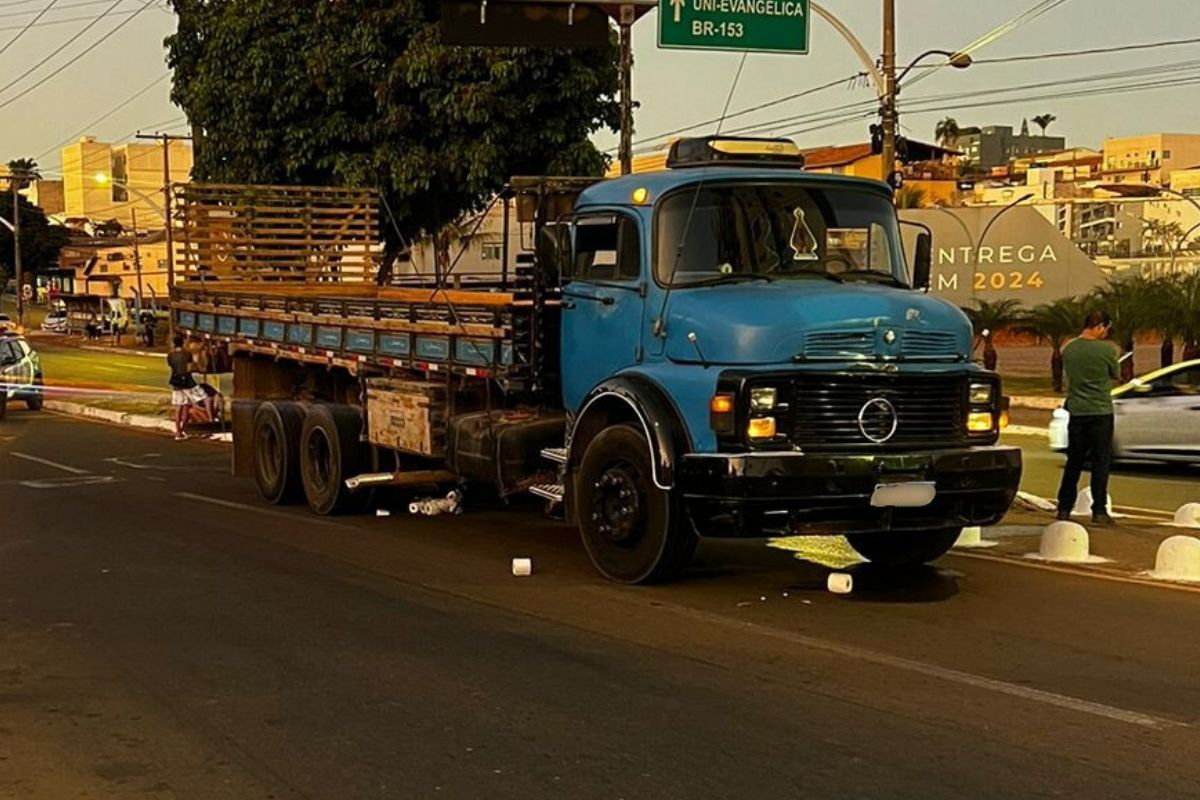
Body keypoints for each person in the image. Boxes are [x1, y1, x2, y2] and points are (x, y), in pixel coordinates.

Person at [1056, 310, 1120, 526]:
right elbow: (1116, 373)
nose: (1106, 333)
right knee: (1100, 462)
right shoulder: (1106, 349)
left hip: (1077, 411)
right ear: (1100, 326)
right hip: (1100, 411)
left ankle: (1064, 507)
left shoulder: (1069, 348)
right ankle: (1099, 510)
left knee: (1074, 461)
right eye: (1106, 329)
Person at [167, 335, 206, 441]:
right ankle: (186, 428)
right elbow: (189, 368)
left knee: (180, 407)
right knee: (203, 398)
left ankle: (179, 432)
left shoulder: (170, 355)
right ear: (183, 342)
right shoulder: (187, 354)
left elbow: (172, 366)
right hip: (187, 382)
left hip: (176, 382)